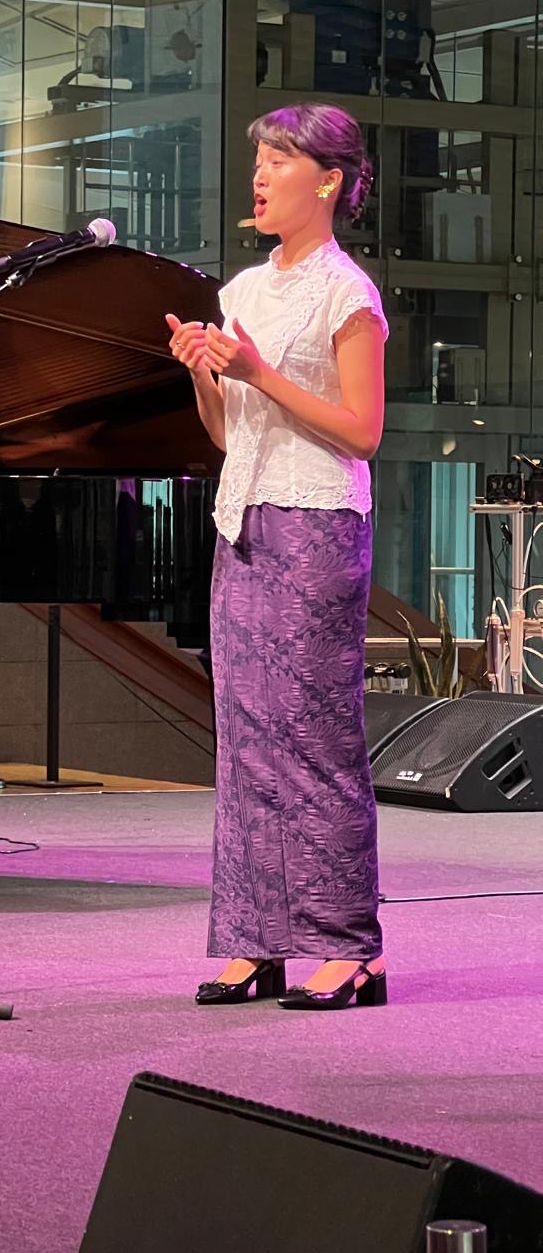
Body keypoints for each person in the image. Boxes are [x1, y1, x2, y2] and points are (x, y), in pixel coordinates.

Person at [165, 103, 388, 1011]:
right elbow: (231, 436)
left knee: (313, 738)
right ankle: (256, 941)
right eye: (257, 160)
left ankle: (349, 946)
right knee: (247, 740)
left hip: (319, 527)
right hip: (244, 525)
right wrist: (204, 374)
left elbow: (362, 432)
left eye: (279, 161)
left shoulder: (347, 293)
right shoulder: (244, 291)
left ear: (328, 181)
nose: (258, 176)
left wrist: (259, 373)